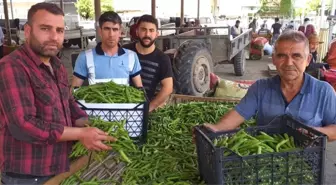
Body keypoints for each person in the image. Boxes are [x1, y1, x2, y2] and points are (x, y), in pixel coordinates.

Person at [0, 3, 115, 185]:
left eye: (60, 30)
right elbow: (23, 125)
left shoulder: (57, 65)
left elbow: (68, 104)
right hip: (28, 175)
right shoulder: (12, 66)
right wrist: (80, 133)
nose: (54, 37)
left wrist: (88, 123)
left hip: (59, 165)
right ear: (28, 31)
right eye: (45, 29)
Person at [205, 30, 336, 141]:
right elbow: (238, 114)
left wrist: (314, 132)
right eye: (282, 56)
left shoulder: (323, 91)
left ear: (307, 60)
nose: (289, 63)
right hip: (266, 162)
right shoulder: (260, 88)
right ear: (274, 60)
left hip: (306, 163)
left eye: (296, 56)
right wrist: (216, 129)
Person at [72, 11, 142, 87]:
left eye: (115, 29)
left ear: (120, 32)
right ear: (100, 31)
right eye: (107, 29)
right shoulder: (84, 57)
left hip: (125, 99)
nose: (111, 34)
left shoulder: (131, 56)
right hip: (96, 98)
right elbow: (74, 90)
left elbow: (139, 88)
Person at [123, 15, 173, 112]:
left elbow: (168, 87)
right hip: (122, 104)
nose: (147, 34)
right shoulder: (125, 51)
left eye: (151, 30)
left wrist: (149, 108)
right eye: (143, 30)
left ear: (157, 34)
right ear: (137, 32)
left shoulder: (162, 59)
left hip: (145, 105)